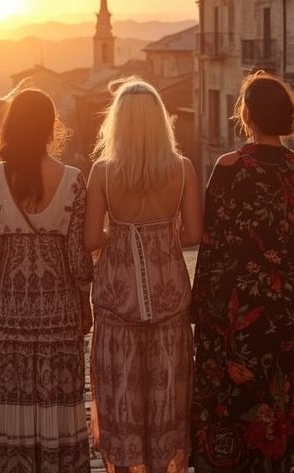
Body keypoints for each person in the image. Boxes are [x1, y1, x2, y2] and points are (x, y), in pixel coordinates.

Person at [190, 71, 294, 473]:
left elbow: (213, 248)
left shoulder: (229, 167)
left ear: (246, 114)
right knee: (273, 402)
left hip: (236, 314)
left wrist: (202, 312)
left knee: (232, 408)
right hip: (282, 310)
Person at [84, 77, 203, 473]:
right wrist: (159, 232)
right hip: (169, 297)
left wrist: (117, 235)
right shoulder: (182, 169)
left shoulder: (102, 172)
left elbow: (88, 239)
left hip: (117, 302)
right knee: (167, 395)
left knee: (123, 397)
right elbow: (192, 234)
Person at [0, 87, 93, 472]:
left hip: (12, 308)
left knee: (14, 397)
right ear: (51, 128)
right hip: (59, 307)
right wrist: (85, 297)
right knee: (58, 396)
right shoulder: (73, 180)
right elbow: (78, 258)